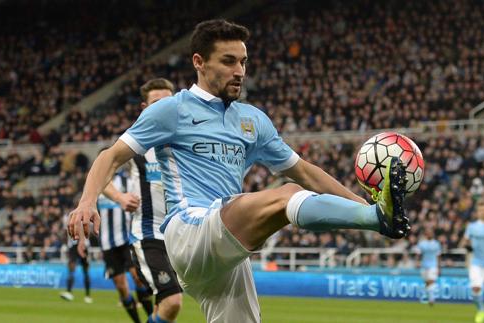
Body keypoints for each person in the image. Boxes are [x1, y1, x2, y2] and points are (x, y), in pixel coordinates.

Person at [68, 19, 410, 322]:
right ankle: (374, 219)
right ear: (199, 63)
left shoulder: (252, 120)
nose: (239, 71)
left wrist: (365, 203)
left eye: (243, 62)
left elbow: (305, 171)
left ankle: (374, 216)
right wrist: (87, 201)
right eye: (228, 61)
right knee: (286, 196)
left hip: (227, 249)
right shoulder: (172, 110)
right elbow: (109, 157)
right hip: (189, 230)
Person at [103, 78, 183, 323]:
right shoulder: (135, 145)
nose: (163, 108)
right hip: (149, 234)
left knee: (162, 305)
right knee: (172, 301)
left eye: (168, 102)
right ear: (144, 108)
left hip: (182, 235)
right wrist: (119, 197)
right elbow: (100, 175)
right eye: (156, 103)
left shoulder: (187, 141)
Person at [98, 169, 154, 322]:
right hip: (107, 243)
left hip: (127, 239)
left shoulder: (127, 183)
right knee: (121, 287)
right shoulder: (95, 185)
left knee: (137, 277)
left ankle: (151, 318)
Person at [60, 212, 92, 303]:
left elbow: (88, 230)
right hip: (72, 246)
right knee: (71, 268)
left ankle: (88, 295)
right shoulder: (67, 216)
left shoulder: (86, 214)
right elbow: (65, 231)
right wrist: (65, 244)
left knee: (85, 270)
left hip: (84, 246)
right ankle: (69, 292)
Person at [416, 228, 441, 306]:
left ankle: (431, 300)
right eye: (428, 233)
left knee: (431, 281)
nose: (430, 234)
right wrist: (417, 262)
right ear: (426, 234)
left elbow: (438, 256)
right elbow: (418, 254)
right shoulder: (422, 244)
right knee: (427, 282)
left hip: (433, 265)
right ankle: (428, 297)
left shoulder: (436, 244)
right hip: (424, 265)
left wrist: (439, 267)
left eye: (431, 233)